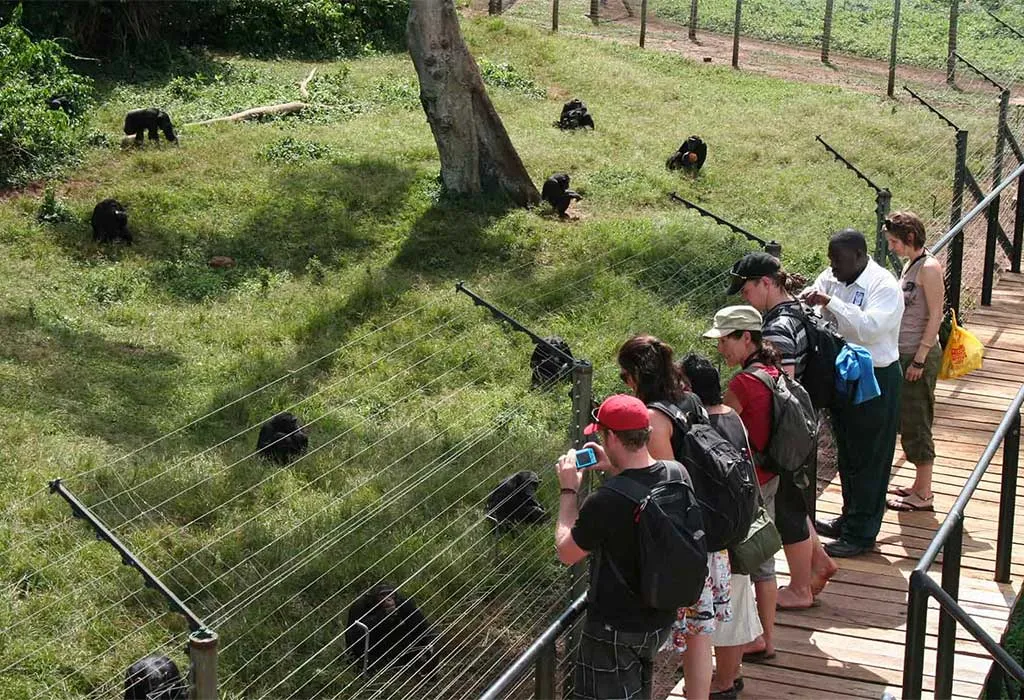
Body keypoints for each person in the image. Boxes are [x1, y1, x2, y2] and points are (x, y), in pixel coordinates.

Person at [617, 335, 727, 700]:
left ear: (635, 375)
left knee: (678, 630)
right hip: (709, 530)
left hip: (684, 538)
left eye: (623, 376)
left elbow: (665, 482)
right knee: (701, 630)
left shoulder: (653, 418)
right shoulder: (690, 398)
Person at [726, 252, 838, 607]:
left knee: (789, 512)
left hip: (785, 436)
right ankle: (819, 564)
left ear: (765, 283)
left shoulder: (775, 328)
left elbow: (779, 391)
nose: (746, 298)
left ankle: (801, 588)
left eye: (746, 291)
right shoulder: (798, 310)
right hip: (805, 425)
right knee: (795, 506)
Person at [554, 394, 676, 700]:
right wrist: (615, 467)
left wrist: (569, 490)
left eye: (602, 434)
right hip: (660, 619)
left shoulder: (607, 501)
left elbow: (567, 552)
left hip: (614, 630)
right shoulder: (676, 473)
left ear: (611, 437)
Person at [801, 229, 905, 558]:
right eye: (830, 260)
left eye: (839, 261)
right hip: (843, 371)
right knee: (847, 450)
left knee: (870, 456)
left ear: (860, 256)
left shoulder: (883, 286)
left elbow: (870, 329)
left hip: (875, 376)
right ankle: (849, 517)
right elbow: (816, 308)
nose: (832, 268)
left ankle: (862, 533)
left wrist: (833, 304)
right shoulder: (832, 278)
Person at [681, 353, 763, 700]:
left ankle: (726, 681)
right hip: (743, 520)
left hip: (724, 533)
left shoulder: (703, 430)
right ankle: (733, 672)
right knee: (738, 602)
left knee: (729, 608)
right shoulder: (731, 417)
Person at [883, 212, 944, 512]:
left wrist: (919, 359)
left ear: (909, 238)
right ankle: (919, 485)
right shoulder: (913, 263)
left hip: (917, 355)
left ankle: (925, 495)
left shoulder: (929, 269)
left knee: (917, 419)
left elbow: (936, 316)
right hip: (903, 352)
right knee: (908, 418)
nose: (892, 247)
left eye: (894, 241)